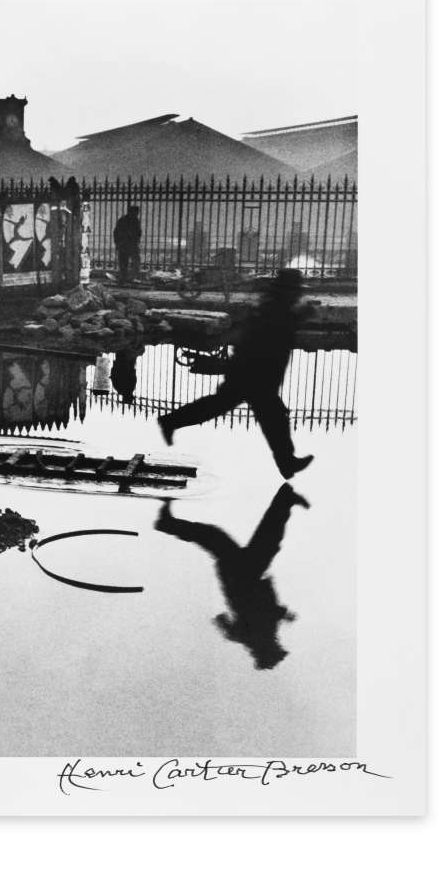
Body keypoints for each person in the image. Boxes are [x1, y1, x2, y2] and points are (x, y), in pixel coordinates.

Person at [157, 268, 314, 480]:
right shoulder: (275, 310)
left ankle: (287, 462)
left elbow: (272, 329)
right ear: (288, 291)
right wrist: (301, 315)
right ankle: (287, 463)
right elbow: (269, 335)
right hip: (254, 375)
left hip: (254, 373)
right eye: (296, 290)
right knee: (271, 417)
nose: (298, 294)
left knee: (227, 407)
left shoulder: (274, 307)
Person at [155, 485, 308, 669]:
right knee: (260, 537)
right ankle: (285, 499)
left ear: (269, 649)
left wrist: (283, 614)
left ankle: (285, 499)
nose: (279, 644)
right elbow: (231, 622)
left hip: (243, 576)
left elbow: (262, 614)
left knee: (244, 538)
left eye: (277, 648)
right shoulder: (254, 636)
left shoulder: (259, 635)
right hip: (245, 575)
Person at [113, 204, 141, 282]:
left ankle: (128, 277)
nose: (136, 214)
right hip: (125, 244)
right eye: (136, 212)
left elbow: (138, 232)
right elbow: (117, 232)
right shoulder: (124, 220)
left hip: (128, 244)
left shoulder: (134, 220)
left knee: (130, 262)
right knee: (125, 262)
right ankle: (126, 277)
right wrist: (118, 242)